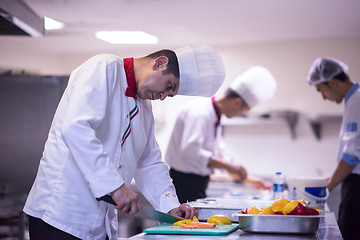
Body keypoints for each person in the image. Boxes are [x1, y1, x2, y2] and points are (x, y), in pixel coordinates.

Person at [23, 44, 226, 240]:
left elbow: (149, 162)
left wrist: (170, 205)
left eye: (170, 95)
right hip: (59, 214)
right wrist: (116, 187)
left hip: (98, 222)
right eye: (169, 86)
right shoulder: (104, 68)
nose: (163, 97)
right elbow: (75, 128)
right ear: (160, 63)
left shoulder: (145, 108)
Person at [165, 66, 277, 203]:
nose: (241, 115)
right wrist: (229, 167)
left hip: (196, 184)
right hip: (183, 184)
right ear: (237, 103)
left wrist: (250, 180)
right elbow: (190, 151)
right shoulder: (200, 111)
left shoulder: (214, 116)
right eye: (244, 111)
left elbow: (219, 156)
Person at [307, 57, 360, 240]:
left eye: (321, 90)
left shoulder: (357, 101)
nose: (323, 97)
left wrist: (326, 187)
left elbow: (352, 155)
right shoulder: (353, 100)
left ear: (332, 83)